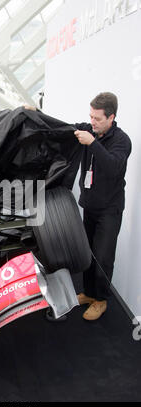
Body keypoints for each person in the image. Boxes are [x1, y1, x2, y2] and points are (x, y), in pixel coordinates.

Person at [73, 92, 131, 321]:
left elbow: (114, 167)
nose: (93, 122)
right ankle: (89, 293)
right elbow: (62, 127)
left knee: (103, 257)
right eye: (91, 117)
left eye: (97, 118)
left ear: (111, 117)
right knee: (87, 254)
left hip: (110, 209)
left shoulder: (122, 140)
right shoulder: (90, 130)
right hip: (91, 206)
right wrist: (35, 113)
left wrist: (93, 143)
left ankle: (101, 300)